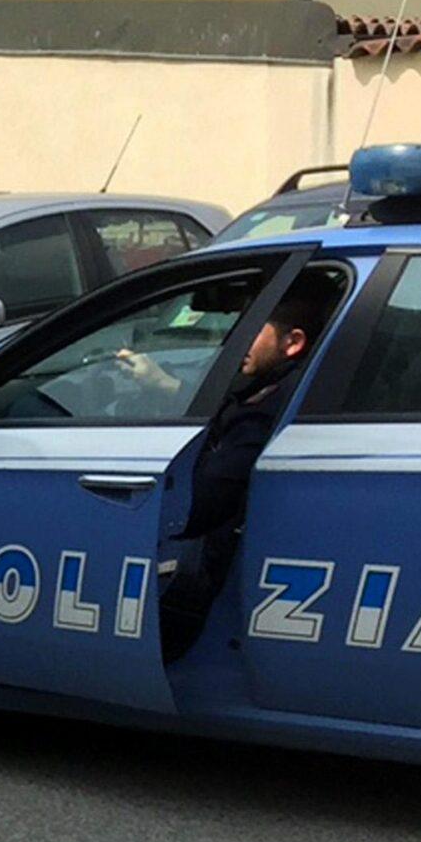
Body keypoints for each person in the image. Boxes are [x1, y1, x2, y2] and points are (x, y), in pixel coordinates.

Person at [125, 274, 341, 664]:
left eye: (252, 329)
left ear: (292, 343)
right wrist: (165, 386)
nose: (236, 340)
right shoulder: (278, 388)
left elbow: (201, 503)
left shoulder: (266, 415)